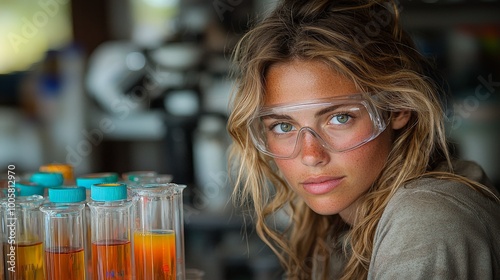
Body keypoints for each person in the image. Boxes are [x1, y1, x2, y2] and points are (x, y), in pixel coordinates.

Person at [226, 0, 500, 279]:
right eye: (284, 126)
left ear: (397, 107)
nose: (310, 155)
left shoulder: (428, 221)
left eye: (340, 118)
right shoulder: (337, 223)